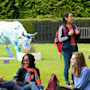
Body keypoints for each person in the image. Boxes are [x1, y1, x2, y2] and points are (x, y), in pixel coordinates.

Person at [58, 11, 80, 87]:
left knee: (75, 65)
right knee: (67, 65)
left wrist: (77, 34)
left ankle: (73, 81)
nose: (72, 18)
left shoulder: (74, 26)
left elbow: (76, 39)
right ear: (65, 18)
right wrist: (68, 35)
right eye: (70, 16)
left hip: (74, 47)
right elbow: (60, 39)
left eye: (72, 16)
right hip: (66, 49)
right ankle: (67, 82)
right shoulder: (62, 27)